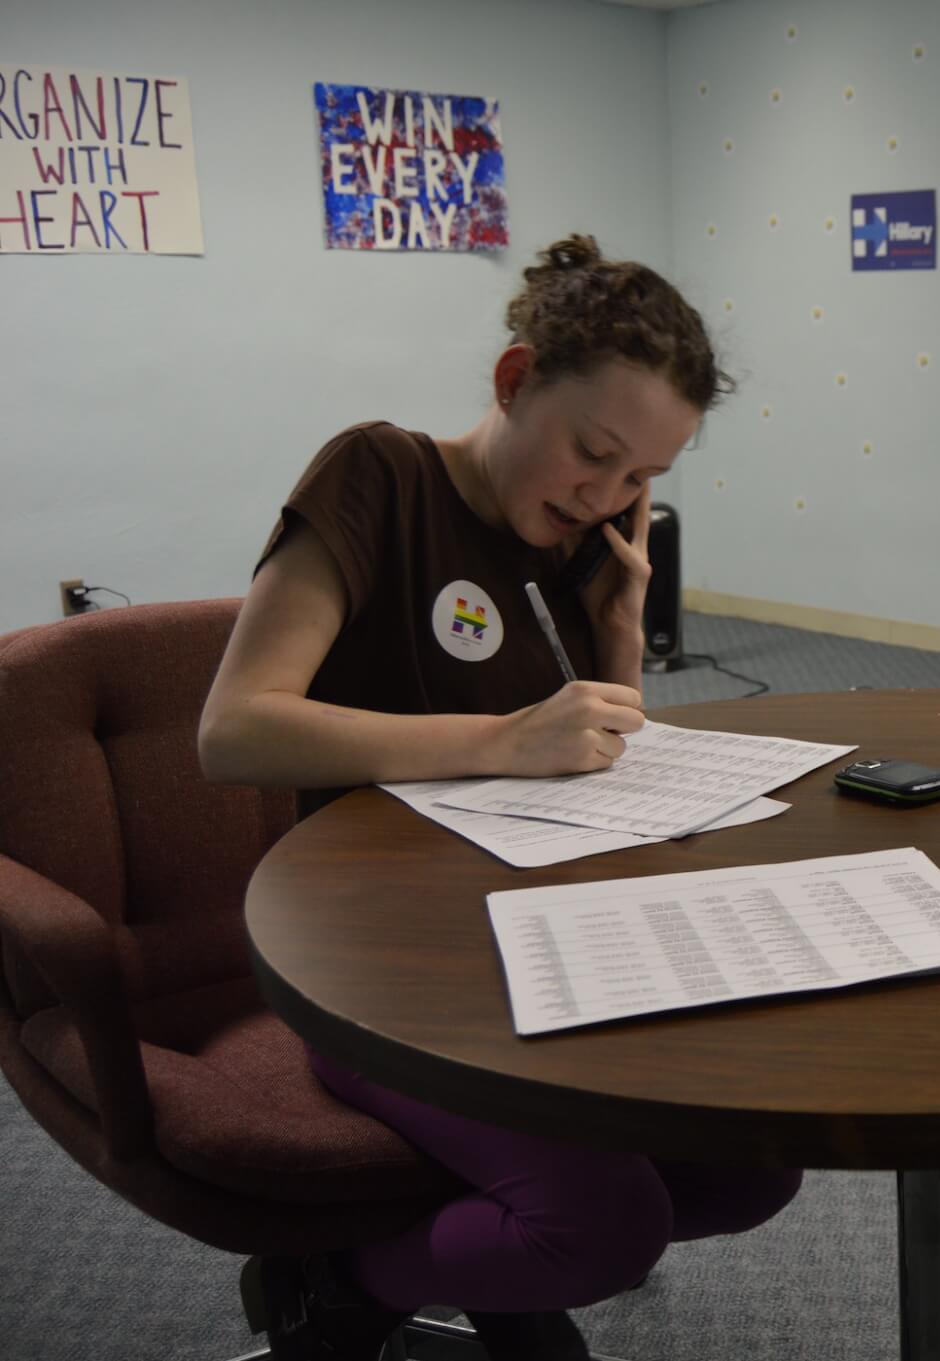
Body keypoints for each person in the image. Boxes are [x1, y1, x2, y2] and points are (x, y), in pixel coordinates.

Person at [199, 235, 801, 1361]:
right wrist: (499, 739)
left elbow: (586, 768)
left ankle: (446, 1261)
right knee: (600, 1225)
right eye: (592, 452)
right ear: (514, 380)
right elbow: (232, 729)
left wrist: (618, 637)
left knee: (753, 1164)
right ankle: (340, 1278)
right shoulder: (378, 476)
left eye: (641, 480)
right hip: (374, 973)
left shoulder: (576, 551)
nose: (606, 495)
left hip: (539, 947)